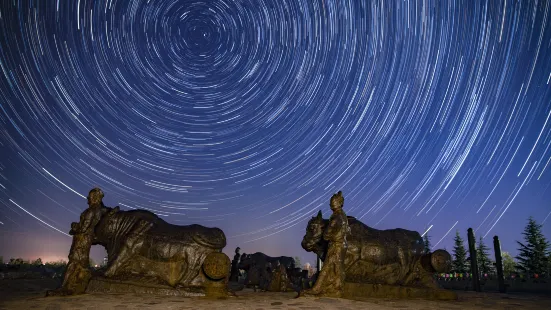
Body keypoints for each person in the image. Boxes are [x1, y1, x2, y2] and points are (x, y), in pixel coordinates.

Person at [47, 188, 118, 296]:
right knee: (81, 264)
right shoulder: (99, 209)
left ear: (94, 197)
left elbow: (84, 227)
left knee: (74, 263)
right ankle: (77, 285)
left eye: (89, 197)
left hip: (82, 239)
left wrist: (75, 227)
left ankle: (64, 287)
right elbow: (108, 211)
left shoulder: (91, 210)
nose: (87, 199)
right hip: (87, 239)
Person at [302, 191, 349, 298]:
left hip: (336, 246)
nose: (331, 205)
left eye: (333, 203)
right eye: (331, 203)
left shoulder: (336, 217)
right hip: (340, 245)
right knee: (332, 267)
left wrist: (327, 234)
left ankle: (325, 289)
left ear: (338, 203)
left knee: (331, 267)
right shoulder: (342, 215)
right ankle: (323, 288)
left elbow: (326, 235)